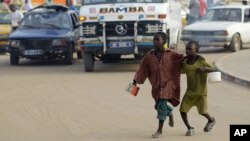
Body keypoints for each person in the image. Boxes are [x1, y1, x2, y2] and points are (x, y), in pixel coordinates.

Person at [132, 32, 183, 138]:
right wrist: (135, 81)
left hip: (169, 84)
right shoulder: (149, 56)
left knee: (161, 105)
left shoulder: (172, 54)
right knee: (159, 106)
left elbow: (184, 61)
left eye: (157, 40)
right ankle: (169, 112)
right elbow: (143, 68)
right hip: (156, 85)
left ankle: (159, 130)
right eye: (154, 40)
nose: (155, 42)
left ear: (164, 41)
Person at [179, 41, 216, 136]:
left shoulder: (201, 61)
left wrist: (205, 69)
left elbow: (214, 69)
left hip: (201, 93)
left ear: (196, 50)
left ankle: (211, 120)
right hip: (190, 92)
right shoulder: (185, 63)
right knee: (182, 110)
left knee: (203, 112)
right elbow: (180, 70)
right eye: (187, 49)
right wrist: (180, 61)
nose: (187, 51)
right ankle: (189, 128)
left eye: (190, 49)